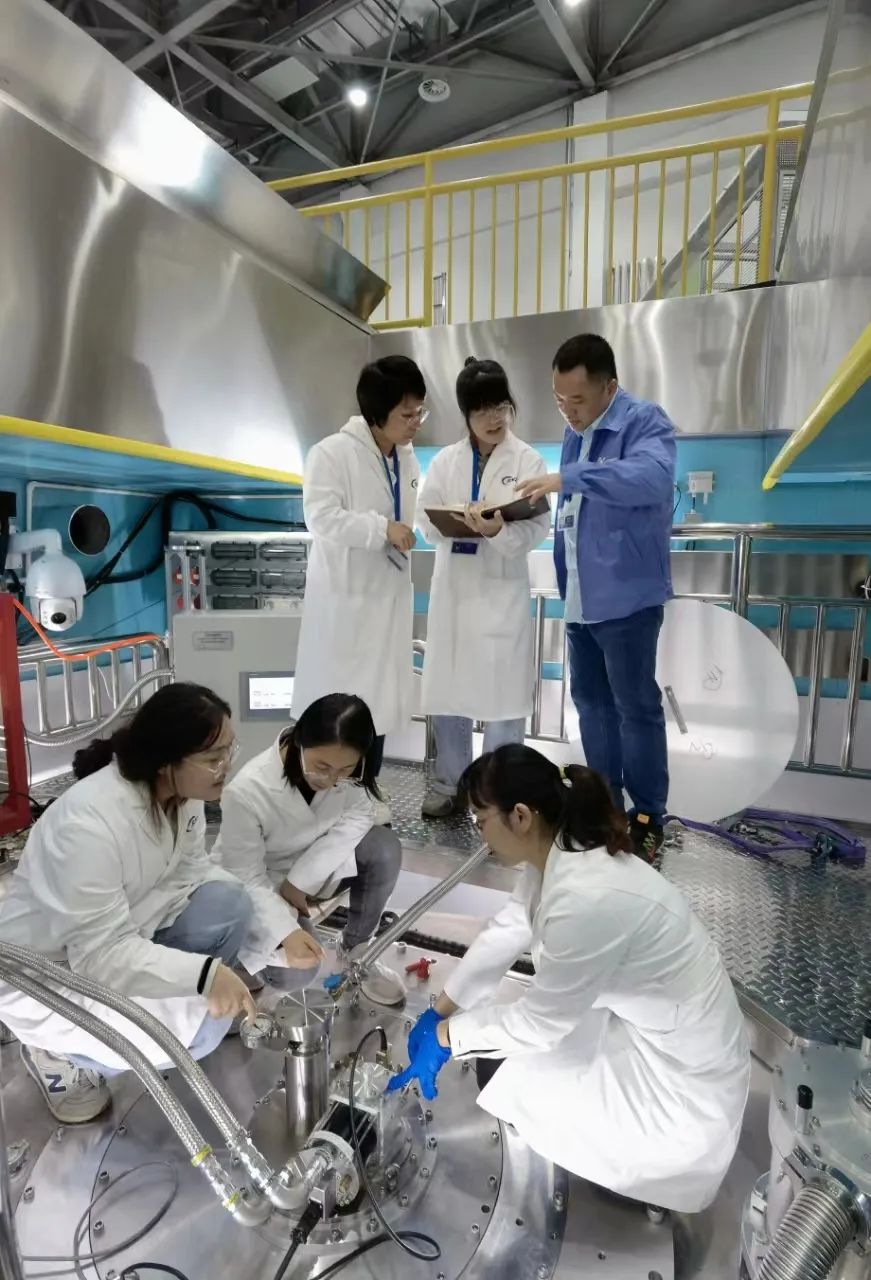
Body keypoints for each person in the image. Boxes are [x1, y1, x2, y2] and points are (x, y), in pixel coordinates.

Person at [388, 745, 749, 1215]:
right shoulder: (561, 852)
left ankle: (644, 1184)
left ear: (520, 816)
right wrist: (441, 1010)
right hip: (656, 1029)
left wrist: (446, 1038)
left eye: (480, 820)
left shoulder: (586, 897)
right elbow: (507, 932)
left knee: (504, 1070)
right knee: (501, 1050)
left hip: (683, 1083)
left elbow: (540, 1025)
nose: (478, 834)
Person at [0, 684, 259, 1125]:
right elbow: (99, 956)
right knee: (200, 1033)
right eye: (214, 758)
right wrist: (204, 975)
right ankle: (56, 1053)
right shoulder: (88, 823)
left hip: (123, 931)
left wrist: (276, 932)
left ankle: (189, 1001)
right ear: (165, 762)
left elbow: (194, 871)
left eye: (229, 751)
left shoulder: (183, 796)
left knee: (230, 905)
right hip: (50, 972)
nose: (226, 767)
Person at [516, 334, 676, 862]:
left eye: (578, 400)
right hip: (581, 596)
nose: (569, 410)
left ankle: (649, 815)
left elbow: (652, 479)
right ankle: (605, 808)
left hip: (627, 598)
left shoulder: (643, 421)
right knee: (591, 704)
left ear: (610, 387)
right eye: (560, 400)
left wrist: (570, 476)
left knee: (636, 708)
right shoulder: (574, 433)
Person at [417, 357, 551, 818]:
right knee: (449, 695)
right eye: (482, 411)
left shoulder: (527, 460)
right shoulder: (445, 462)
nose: (494, 418)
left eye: (501, 407)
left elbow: (537, 527)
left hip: (500, 595)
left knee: (503, 701)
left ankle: (501, 796)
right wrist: (453, 521)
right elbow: (425, 520)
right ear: (466, 414)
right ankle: (449, 784)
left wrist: (497, 531)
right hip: (455, 593)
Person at [291, 356, 426, 798]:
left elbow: (412, 514)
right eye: (407, 414)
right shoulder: (331, 453)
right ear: (376, 413)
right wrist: (380, 528)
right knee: (340, 710)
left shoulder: (405, 460)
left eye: (419, 412)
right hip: (347, 604)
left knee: (379, 707)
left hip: (387, 599)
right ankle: (325, 796)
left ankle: (366, 792)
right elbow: (321, 517)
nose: (415, 423)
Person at [213, 694, 401, 981]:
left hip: (309, 873)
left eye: (345, 769)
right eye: (322, 767)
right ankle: (237, 960)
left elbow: (361, 813)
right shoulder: (248, 790)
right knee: (298, 972)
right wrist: (286, 931)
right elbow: (246, 876)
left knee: (383, 847)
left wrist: (299, 881)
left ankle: (357, 949)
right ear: (299, 741)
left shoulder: (348, 774)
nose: (332, 780)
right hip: (261, 884)